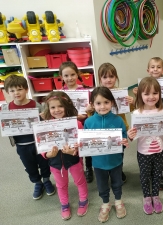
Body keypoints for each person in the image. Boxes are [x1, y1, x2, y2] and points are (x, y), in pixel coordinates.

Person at [2, 75, 55, 200]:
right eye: (12, 90)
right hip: (22, 145)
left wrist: (44, 117)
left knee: (44, 163)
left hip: (38, 142)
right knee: (29, 166)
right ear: (8, 92)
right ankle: (37, 183)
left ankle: (46, 180)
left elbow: (46, 121)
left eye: (19, 89)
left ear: (26, 89)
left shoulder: (36, 105)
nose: (16, 93)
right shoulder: (6, 109)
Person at [127, 77, 163, 215]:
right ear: (140, 95)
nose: (151, 97)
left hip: (160, 149)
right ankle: (147, 197)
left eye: (155, 93)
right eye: (146, 94)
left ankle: (155, 196)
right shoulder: (137, 113)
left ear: (160, 94)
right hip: (143, 151)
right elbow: (132, 136)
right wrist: (130, 134)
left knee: (157, 174)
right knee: (145, 175)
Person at [84, 87, 128, 222]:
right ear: (92, 104)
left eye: (106, 102)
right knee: (102, 185)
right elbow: (85, 141)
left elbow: (124, 136)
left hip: (115, 160)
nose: (102, 106)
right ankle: (105, 203)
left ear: (112, 103)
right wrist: (82, 145)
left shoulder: (118, 120)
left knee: (117, 183)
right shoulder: (89, 122)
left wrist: (124, 140)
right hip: (98, 163)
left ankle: (119, 201)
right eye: (98, 103)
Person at [42, 91, 88, 220]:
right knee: (61, 185)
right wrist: (47, 154)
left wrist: (74, 151)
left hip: (73, 160)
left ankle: (84, 200)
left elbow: (82, 143)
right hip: (55, 162)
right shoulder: (45, 126)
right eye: (53, 107)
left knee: (79, 181)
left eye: (60, 106)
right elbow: (42, 146)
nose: (57, 110)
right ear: (48, 108)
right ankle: (64, 204)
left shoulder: (77, 124)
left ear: (67, 106)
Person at [86, 62, 134, 184]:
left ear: (116, 77)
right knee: (102, 151)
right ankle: (102, 171)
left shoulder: (121, 93)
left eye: (112, 76)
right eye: (105, 77)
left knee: (119, 150)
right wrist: (88, 110)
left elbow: (132, 110)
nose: (108, 80)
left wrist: (132, 103)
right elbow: (92, 117)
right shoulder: (96, 94)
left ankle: (119, 170)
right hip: (101, 129)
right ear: (100, 78)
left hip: (118, 126)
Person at [58, 61, 92, 183]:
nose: (70, 78)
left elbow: (92, 110)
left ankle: (88, 167)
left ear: (77, 74)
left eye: (72, 74)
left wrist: (89, 111)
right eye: (66, 76)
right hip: (70, 126)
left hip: (84, 123)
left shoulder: (86, 91)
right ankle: (79, 168)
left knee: (85, 147)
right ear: (61, 77)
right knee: (74, 148)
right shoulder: (60, 94)